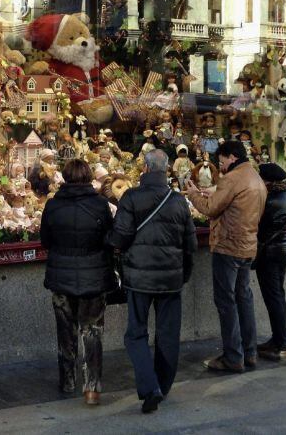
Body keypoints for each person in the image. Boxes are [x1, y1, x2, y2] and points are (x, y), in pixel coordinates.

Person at [107, 149, 197, 414]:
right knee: (168, 333)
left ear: (145, 169)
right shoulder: (178, 201)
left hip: (138, 277)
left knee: (136, 333)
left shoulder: (131, 197)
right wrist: (184, 274)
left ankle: (150, 387)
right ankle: (163, 385)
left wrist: (109, 242)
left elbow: (120, 237)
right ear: (166, 169)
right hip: (170, 278)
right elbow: (190, 243)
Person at [187, 140, 267, 373]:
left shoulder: (232, 178)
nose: (219, 164)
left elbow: (211, 209)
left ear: (232, 157)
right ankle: (249, 352)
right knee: (244, 298)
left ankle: (233, 356)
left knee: (226, 301)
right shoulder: (254, 177)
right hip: (247, 245)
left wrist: (193, 195)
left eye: (221, 160)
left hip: (228, 246)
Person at [40, 158, 114, 406]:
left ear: (66, 177)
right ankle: (92, 388)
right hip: (94, 277)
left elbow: (45, 241)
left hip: (62, 278)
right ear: (88, 177)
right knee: (93, 333)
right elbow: (109, 238)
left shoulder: (52, 206)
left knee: (65, 332)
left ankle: (67, 380)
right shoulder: (101, 205)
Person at [254, 163, 286, 362]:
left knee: (274, 298)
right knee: (277, 296)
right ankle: (278, 339)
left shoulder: (270, 200)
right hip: (284, 251)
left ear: (267, 180)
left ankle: (283, 345)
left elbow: (256, 223)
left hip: (271, 253)